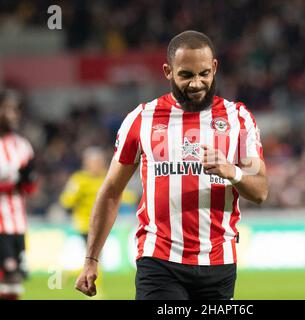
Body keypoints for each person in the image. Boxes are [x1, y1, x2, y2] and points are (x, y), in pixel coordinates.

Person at [75, 30, 268, 300]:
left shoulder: (239, 119)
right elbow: (111, 191)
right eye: (186, 75)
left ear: (214, 68)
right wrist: (91, 259)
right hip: (159, 259)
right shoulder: (142, 119)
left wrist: (231, 171)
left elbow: (260, 191)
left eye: (204, 73)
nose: (197, 83)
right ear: (168, 71)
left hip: (219, 263)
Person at [0, 89, 37, 300]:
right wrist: (13, 181)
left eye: (16, 110)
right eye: (7, 109)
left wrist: (28, 179)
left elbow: (31, 190)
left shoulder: (23, 146)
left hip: (17, 224)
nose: (13, 115)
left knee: (16, 280)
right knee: (8, 274)